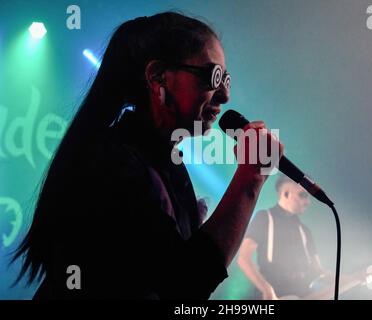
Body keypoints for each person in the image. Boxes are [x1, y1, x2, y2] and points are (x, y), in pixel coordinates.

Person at [11, 12, 283, 299]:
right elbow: (184, 283)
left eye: (226, 78)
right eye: (213, 76)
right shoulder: (111, 162)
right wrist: (250, 178)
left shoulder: (159, 162)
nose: (224, 95)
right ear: (157, 77)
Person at [238, 175, 326, 300]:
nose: (308, 202)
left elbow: (318, 271)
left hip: (304, 293)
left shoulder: (305, 230)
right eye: (302, 195)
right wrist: (266, 289)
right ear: (286, 194)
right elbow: (243, 258)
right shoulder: (264, 218)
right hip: (275, 294)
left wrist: (351, 278)